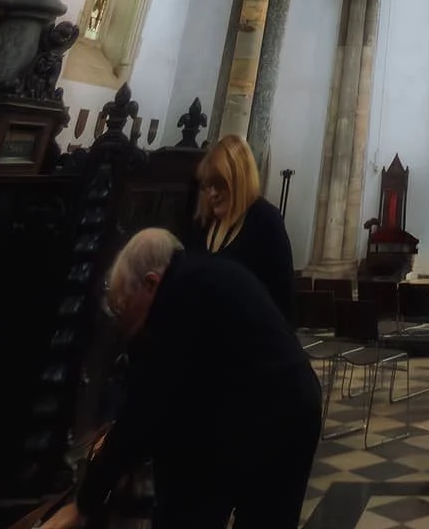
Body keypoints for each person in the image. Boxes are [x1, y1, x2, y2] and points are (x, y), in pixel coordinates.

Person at [43, 228, 321, 529]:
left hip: (277, 421)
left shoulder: (177, 298)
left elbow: (146, 411)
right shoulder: (201, 278)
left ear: (150, 283)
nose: (124, 322)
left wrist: (84, 503)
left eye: (124, 306)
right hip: (284, 410)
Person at [191, 131, 296, 325]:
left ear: (239, 180)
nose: (212, 193)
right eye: (208, 185)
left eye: (220, 183)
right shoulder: (203, 223)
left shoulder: (265, 221)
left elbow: (282, 303)